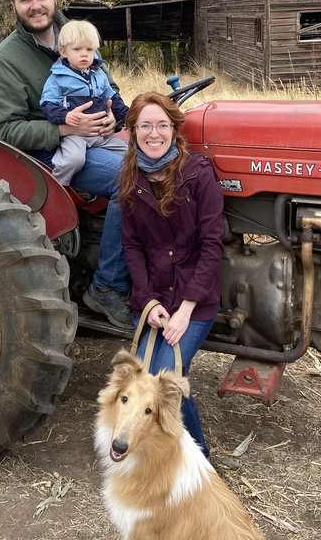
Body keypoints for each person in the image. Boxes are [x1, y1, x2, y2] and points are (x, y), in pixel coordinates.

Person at [0, 0, 132, 329]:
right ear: (14, 5)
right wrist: (65, 127)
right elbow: (4, 130)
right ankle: (108, 288)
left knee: (163, 161)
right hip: (48, 152)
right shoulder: (4, 61)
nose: (35, 6)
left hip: (96, 136)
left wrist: (115, 117)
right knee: (131, 179)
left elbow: (109, 88)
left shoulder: (81, 38)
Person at [119, 91, 225, 458]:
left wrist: (185, 310)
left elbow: (213, 245)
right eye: (145, 125)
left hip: (194, 300)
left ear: (174, 131)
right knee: (141, 377)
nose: (154, 133)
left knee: (165, 378)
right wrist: (147, 302)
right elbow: (132, 247)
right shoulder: (130, 179)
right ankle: (150, 452)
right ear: (133, 131)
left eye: (162, 125)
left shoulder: (198, 176)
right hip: (153, 296)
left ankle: (198, 462)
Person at [40, 19, 129, 187]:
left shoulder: (98, 75)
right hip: (75, 135)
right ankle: (57, 188)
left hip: (100, 134)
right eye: (77, 49)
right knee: (73, 160)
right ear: (64, 52)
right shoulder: (57, 78)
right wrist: (65, 116)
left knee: (129, 153)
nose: (84, 54)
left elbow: (112, 97)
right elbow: (48, 104)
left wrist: (127, 115)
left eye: (89, 49)